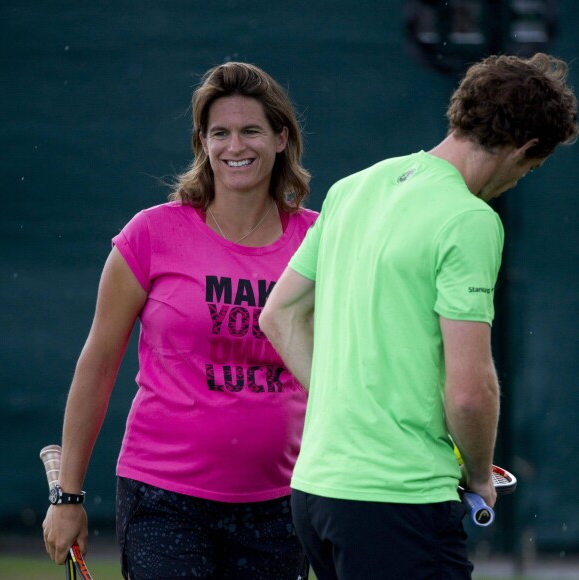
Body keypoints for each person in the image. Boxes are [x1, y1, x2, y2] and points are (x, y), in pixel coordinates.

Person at [260, 52, 578, 579]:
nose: (521, 179)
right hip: (397, 503)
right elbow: (470, 392)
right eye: (531, 167)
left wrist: (353, 406)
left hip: (316, 496)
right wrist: (479, 474)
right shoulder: (469, 219)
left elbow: (280, 315)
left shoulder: (353, 188)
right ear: (523, 148)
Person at [42, 61, 317, 580]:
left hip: (282, 504)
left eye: (251, 130)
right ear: (203, 143)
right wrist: (68, 496)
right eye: (220, 133)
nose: (235, 146)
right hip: (164, 499)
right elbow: (98, 366)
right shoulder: (151, 235)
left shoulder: (317, 240)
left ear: (281, 138)